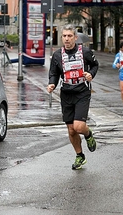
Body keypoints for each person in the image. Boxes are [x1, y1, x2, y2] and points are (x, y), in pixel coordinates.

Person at [47, 24, 99, 170]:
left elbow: (95, 65)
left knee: (78, 126)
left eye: (70, 36)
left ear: (75, 37)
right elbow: (54, 73)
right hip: (66, 93)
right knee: (71, 130)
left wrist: (91, 74)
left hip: (82, 92)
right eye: (64, 36)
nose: (67, 39)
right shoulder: (57, 55)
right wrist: (52, 84)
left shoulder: (85, 52)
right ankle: (80, 156)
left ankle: (88, 135)